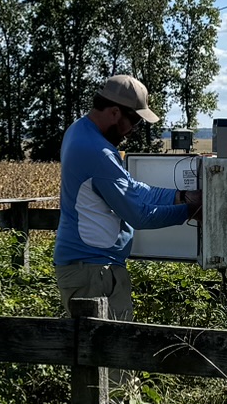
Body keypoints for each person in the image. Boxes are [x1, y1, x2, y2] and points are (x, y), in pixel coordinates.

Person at [54, 74, 200, 322]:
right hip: (93, 271)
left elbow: (132, 188)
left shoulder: (79, 131)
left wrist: (181, 196)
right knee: (112, 353)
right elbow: (138, 215)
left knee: (103, 354)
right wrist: (192, 211)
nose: (133, 130)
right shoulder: (96, 151)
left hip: (91, 267)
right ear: (114, 113)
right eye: (133, 120)